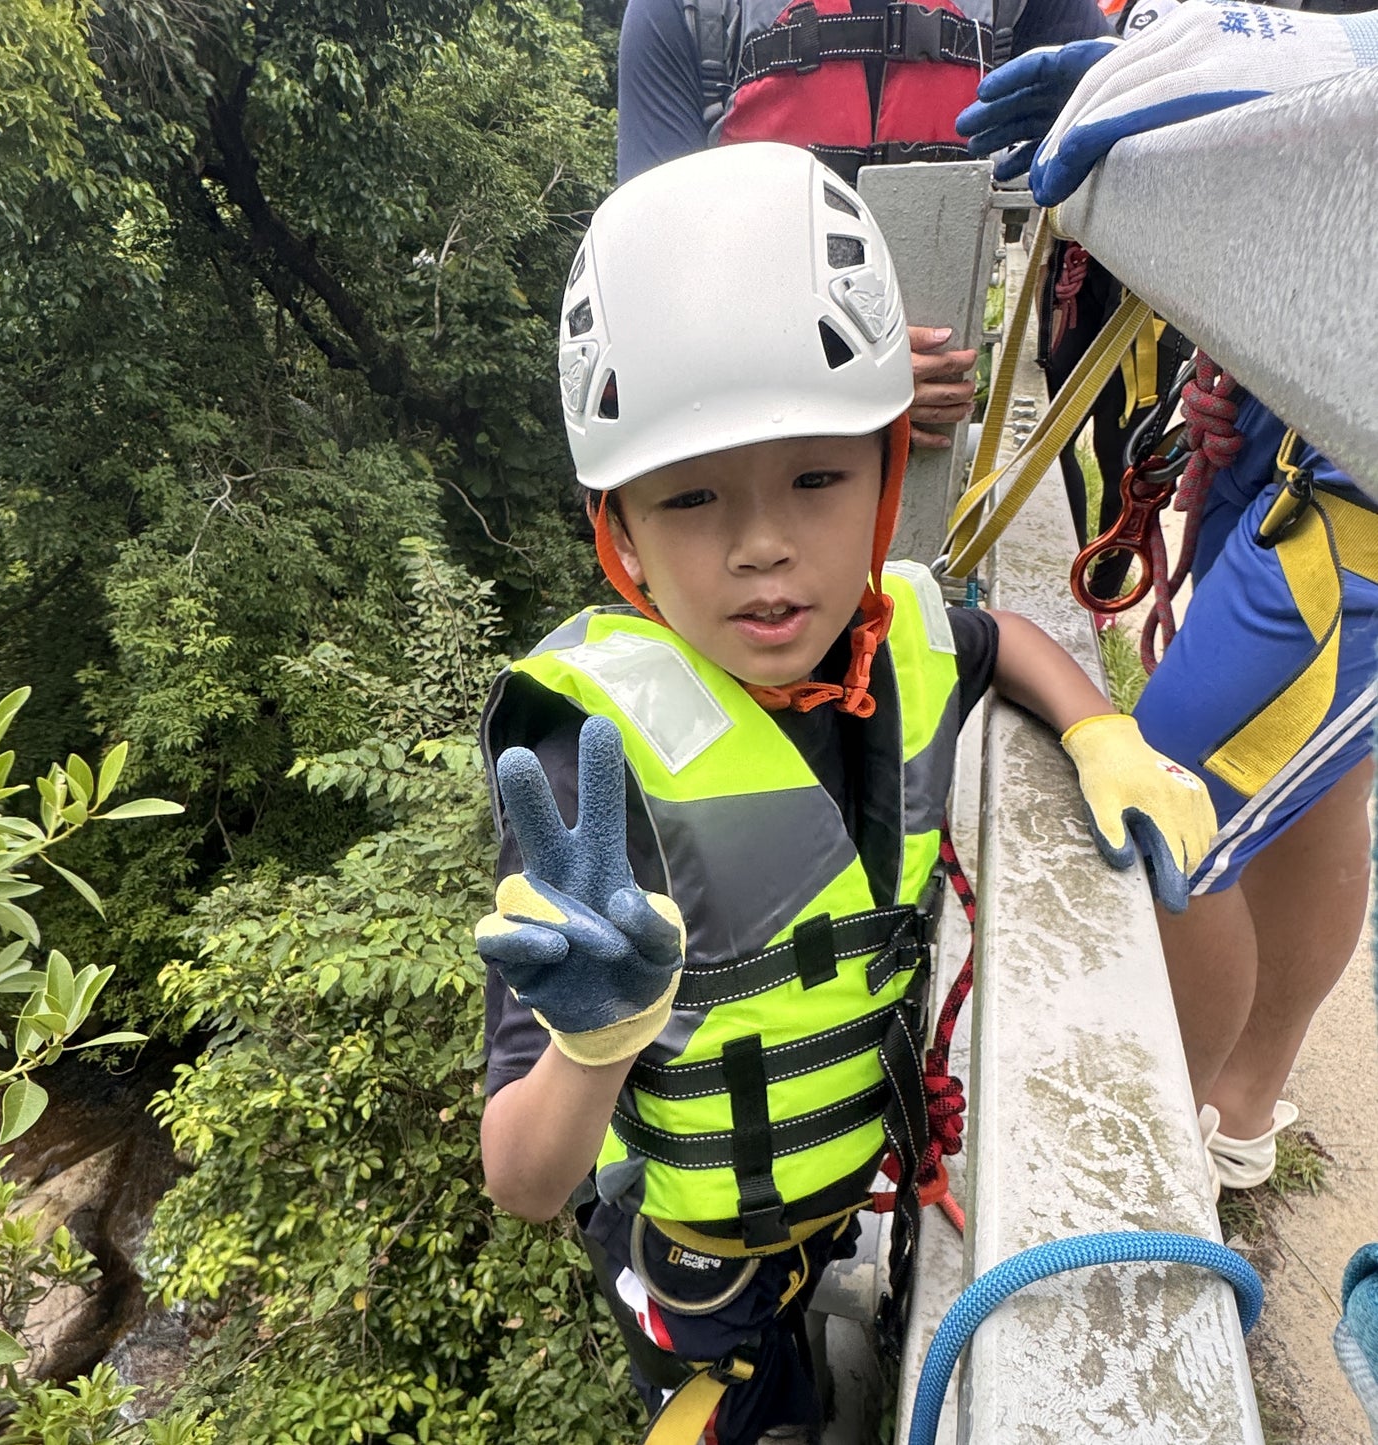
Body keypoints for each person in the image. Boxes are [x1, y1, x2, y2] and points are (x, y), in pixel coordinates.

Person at [475, 142, 1217, 1445]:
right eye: (692, 497)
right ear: (622, 533)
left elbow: (1001, 643)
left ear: (886, 472)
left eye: (816, 478)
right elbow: (524, 1180)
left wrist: (1103, 731)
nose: (762, 543)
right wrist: (596, 1035)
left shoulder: (901, 637)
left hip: (846, 1198)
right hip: (696, 1271)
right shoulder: (582, 767)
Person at [956, 0, 1378, 1192]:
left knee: (1166, 803)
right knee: (1316, 780)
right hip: (1306, 399)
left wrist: (1269, 70)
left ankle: (1143, 1158)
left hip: (1352, 494)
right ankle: (1239, 1104)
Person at [615, 0, 1116, 454]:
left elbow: (1139, 171)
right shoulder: (683, 12)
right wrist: (842, 370)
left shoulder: (1035, 9)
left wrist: (1122, 97)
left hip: (936, 423)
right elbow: (657, 271)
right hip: (754, 433)